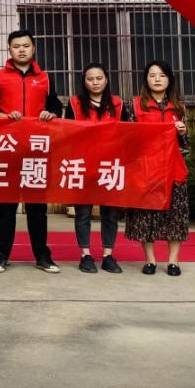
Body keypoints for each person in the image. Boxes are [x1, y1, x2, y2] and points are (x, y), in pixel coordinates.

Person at [0, 30, 63, 275]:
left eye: (26, 46)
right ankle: (1, 256)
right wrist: (2, 116)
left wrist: (51, 113)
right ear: (9, 50)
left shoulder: (45, 78)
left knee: (37, 208)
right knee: (6, 208)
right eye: (16, 46)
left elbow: (55, 105)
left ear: (33, 48)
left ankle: (42, 256)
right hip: (7, 150)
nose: (21, 50)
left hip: (36, 151)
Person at [124, 60, 191, 276]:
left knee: (175, 215)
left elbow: (185, 147)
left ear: (169, 79)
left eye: (162, 75)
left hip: (173, 169)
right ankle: (150, 260)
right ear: (146, 80)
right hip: (146, 169)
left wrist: (182, 133)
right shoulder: (134, 105)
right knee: (146, 216)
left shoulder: (179, 108)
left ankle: (173, 261)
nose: (157, 79)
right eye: (152, 75)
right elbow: (128, 138)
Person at [63, 62, 125, 275]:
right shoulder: (74, 104)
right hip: (83, 164)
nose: (95, 82)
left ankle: (108, 255)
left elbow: (127, 132)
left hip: (110, 164)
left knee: (110, 213)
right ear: (84, 81)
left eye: (99, 78)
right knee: (83, 212)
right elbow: (66, 132)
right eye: (90, 79)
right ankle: (85, 255)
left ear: (106, 80)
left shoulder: (118, 104)